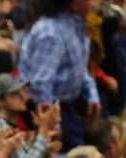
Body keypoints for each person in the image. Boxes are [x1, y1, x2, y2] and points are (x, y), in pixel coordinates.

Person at [18, 0, 101, 149]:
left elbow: (78, 66)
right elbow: (40, 85)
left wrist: (91, 93)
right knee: (79, 157)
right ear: (73, 3)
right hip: (44, 109)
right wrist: (52, 125)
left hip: (68, 106)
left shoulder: (78, 25)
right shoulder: (51, 32)